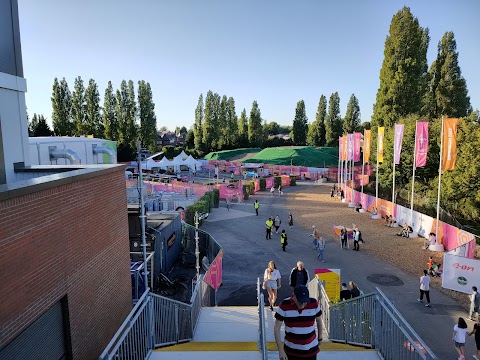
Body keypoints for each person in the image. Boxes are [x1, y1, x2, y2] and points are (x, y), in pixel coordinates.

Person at [274, 285, 323, 360]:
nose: (303, 304)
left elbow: (319, 320)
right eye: (300, 302)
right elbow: (277, 327)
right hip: (291, 351)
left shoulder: (313, 303)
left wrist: (320, 337)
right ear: (294, 296)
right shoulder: (284, 305)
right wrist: (280, 350)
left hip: (311, 350)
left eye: (305, 302)